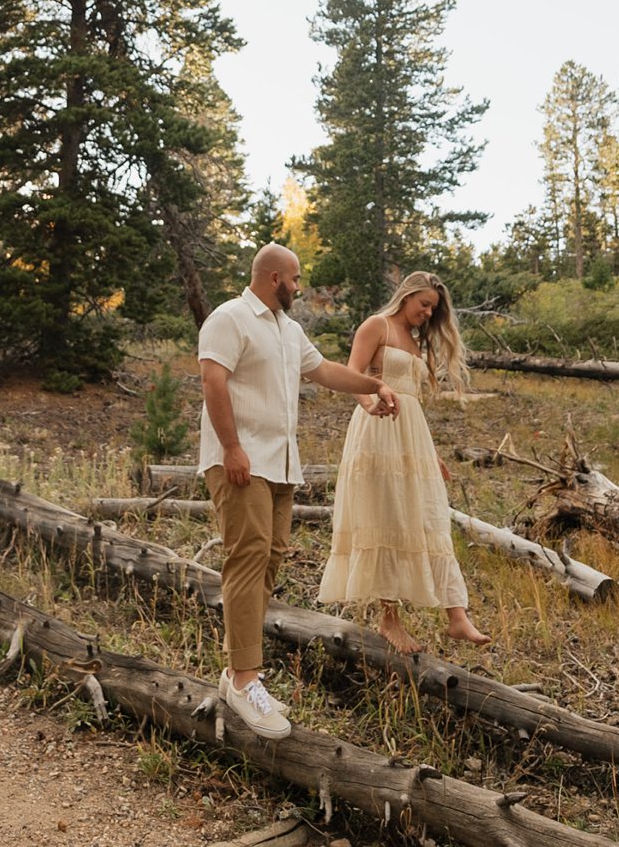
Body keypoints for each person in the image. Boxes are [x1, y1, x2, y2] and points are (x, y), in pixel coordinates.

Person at [199, 242, 397, 740]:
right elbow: (213, 381)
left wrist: (372, 387)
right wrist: (231, 448)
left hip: (281, 465)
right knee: (247, 558)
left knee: (269, 560)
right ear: (274, 278)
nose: (300, 285)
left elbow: (324, 370)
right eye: (296, 278)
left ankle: (239, 673)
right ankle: (244, 681)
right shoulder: (229, 318)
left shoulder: (289, 329)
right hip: (242, 461)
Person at [318, 270, 490, 653]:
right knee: (387, 516)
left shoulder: (415, 342)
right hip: (378, 429)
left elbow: (412, 401)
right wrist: (369, 403)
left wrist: (431, 454)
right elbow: (351, 375)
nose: (427, 313)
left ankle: (457, 615)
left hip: (412, 438)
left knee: (430, 515)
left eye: (433, 309)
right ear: (407, 295)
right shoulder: (376, 326)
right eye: (424, 304)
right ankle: (389, 619)